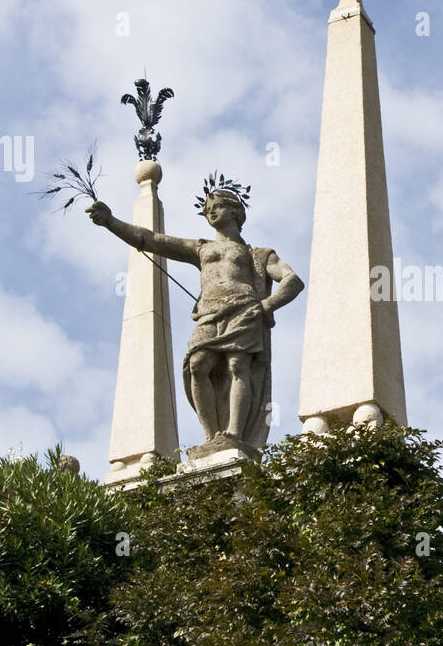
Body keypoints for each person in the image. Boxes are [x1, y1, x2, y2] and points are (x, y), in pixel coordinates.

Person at [88, 180, 303, 453]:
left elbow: (292, 280)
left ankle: (235, 432)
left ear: (235, 211)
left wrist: (267, 305)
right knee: (197, 366)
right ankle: (212, 435)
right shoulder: (201, 249)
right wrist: (111, 222)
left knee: (239, 367)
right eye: (207, 209)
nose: (211, 212)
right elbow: (149, 239)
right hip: (209, 312)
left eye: (218, 206)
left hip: (244, 309)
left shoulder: (258, 254)